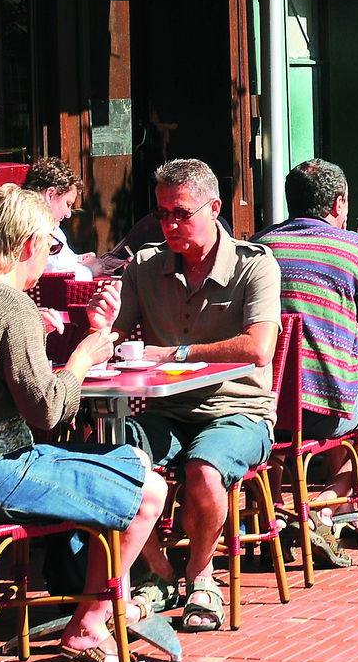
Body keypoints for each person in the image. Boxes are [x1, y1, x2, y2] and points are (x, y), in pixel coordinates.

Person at [0, 185, 167, 662]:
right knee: (150, 491)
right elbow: (48, 412)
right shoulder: (11, 306)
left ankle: (92, 599)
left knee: (130, 462)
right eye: (53, 245)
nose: (51, 257)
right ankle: (91, 624)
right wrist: (83, 356)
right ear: (29, 245)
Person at [110, 159, 281, 632]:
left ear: (214, 208)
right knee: (110, 457)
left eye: (181, 213)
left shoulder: (255, 264)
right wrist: (97, 325)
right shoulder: (144, 265)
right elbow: (116, 336)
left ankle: (200, 573)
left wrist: (178, 353)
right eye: (163, 214)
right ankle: (160, 570)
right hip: (165, 409)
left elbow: (259, 347)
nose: (170, 225)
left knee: (204, 471)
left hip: (237, 409)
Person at [257, 159, 358, 568]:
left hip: (260, 409)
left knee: (274, 444)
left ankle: (274, 518)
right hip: (325, 409)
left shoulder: (258, 247)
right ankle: (322, 505)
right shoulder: (354, 248)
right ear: (339, 204)